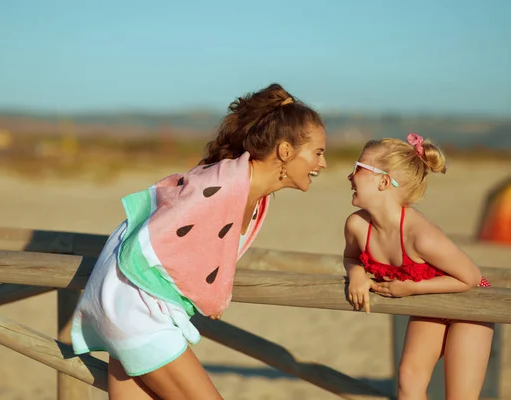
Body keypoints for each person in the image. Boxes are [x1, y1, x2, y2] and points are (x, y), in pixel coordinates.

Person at [71, 83, 328, 400]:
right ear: (286, 151)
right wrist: (211, 294)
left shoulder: (253, 192)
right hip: (138, 308)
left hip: (127, 303)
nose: (322, 163)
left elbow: (201, 243)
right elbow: (148, 234)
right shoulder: (222, 184)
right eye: (317, 152)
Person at [343, 133, 494, 400]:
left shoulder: (420, 235)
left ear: (384, 181)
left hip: (470, 303)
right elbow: (352, 258)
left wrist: (411, 288)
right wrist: (356, 275)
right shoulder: (357, 226)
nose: (349, 176)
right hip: (431, 301)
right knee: (408, 384)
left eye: (358, 168)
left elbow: (471, 277)